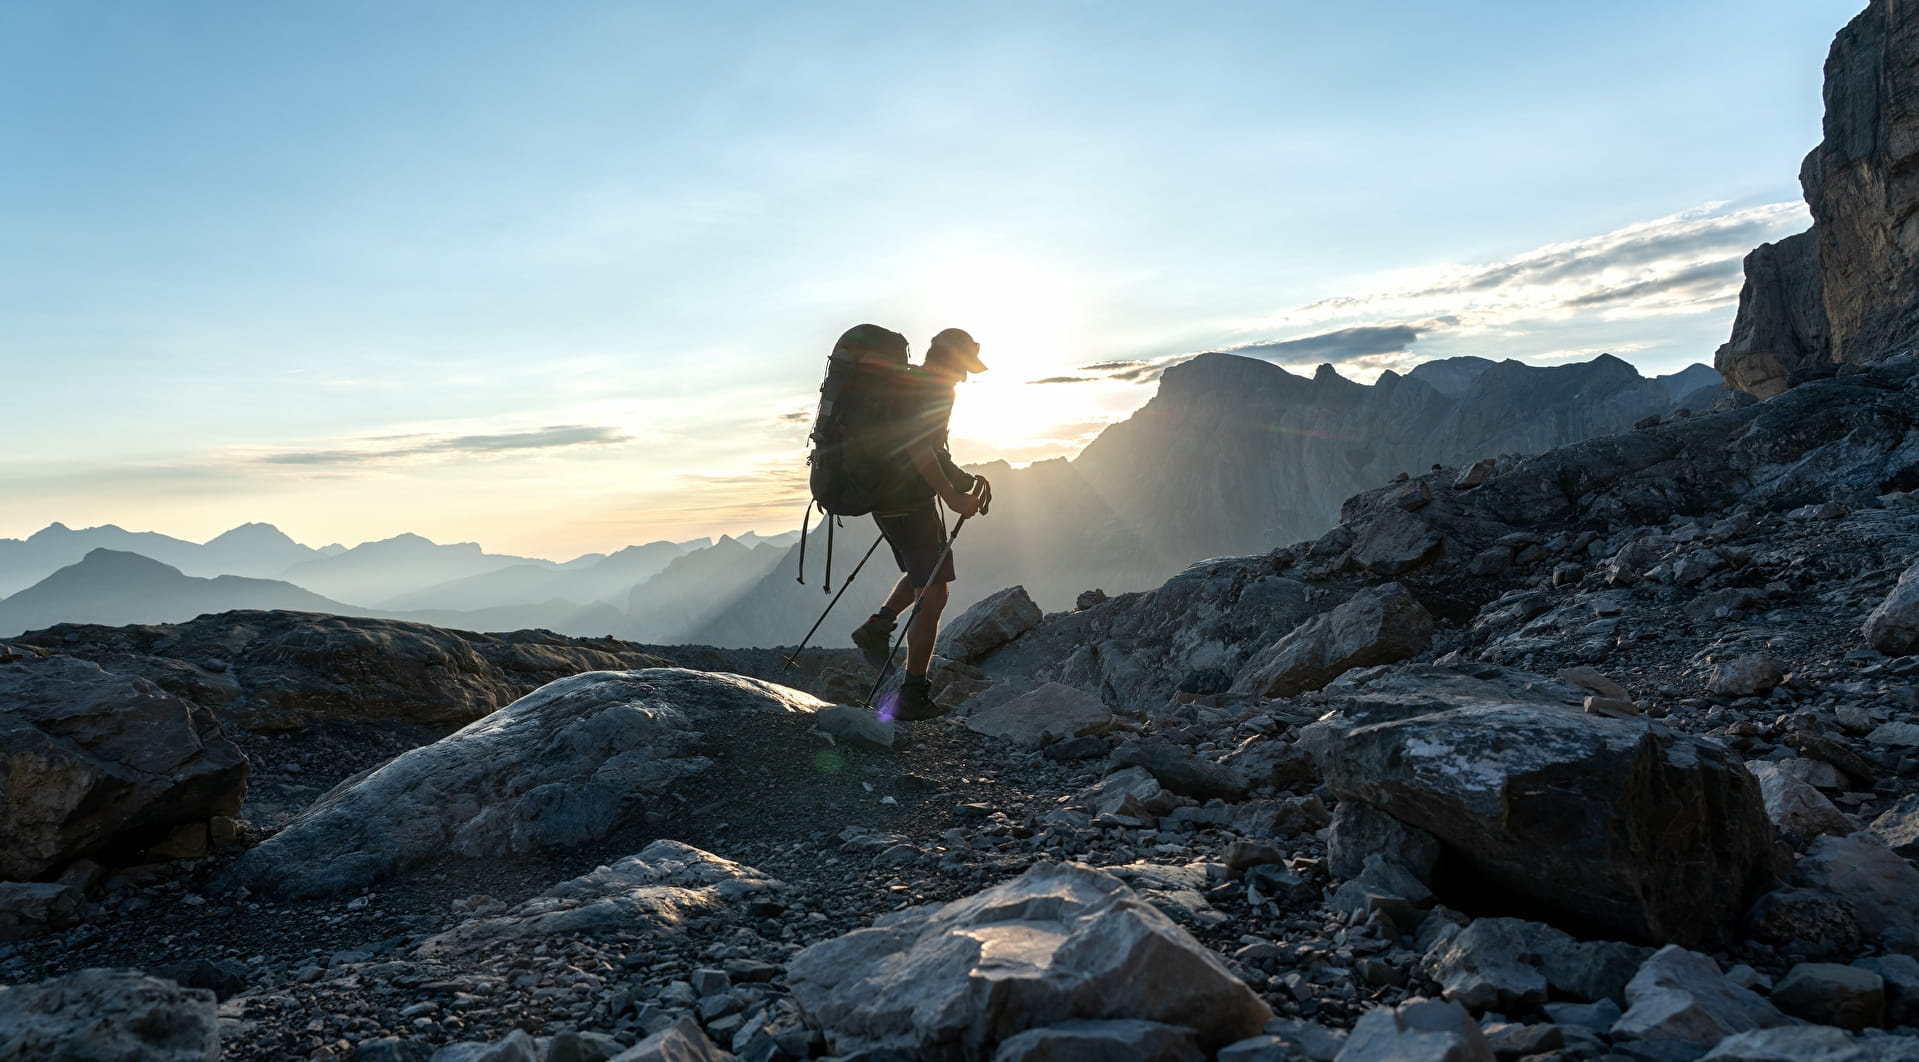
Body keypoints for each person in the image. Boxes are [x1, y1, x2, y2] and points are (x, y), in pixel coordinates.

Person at [849, 327, 990, 720]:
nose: (966, 375)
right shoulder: (937, 388)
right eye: (965, 366)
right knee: (935, 594)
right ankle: (912, 694)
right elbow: (919, 447)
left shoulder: (910, 380)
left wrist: (961, 481)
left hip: (887, 498)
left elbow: (927, 448)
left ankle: (877, 627)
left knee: (922, 575)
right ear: (951, 359)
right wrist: (952, 496)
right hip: (909, 503)